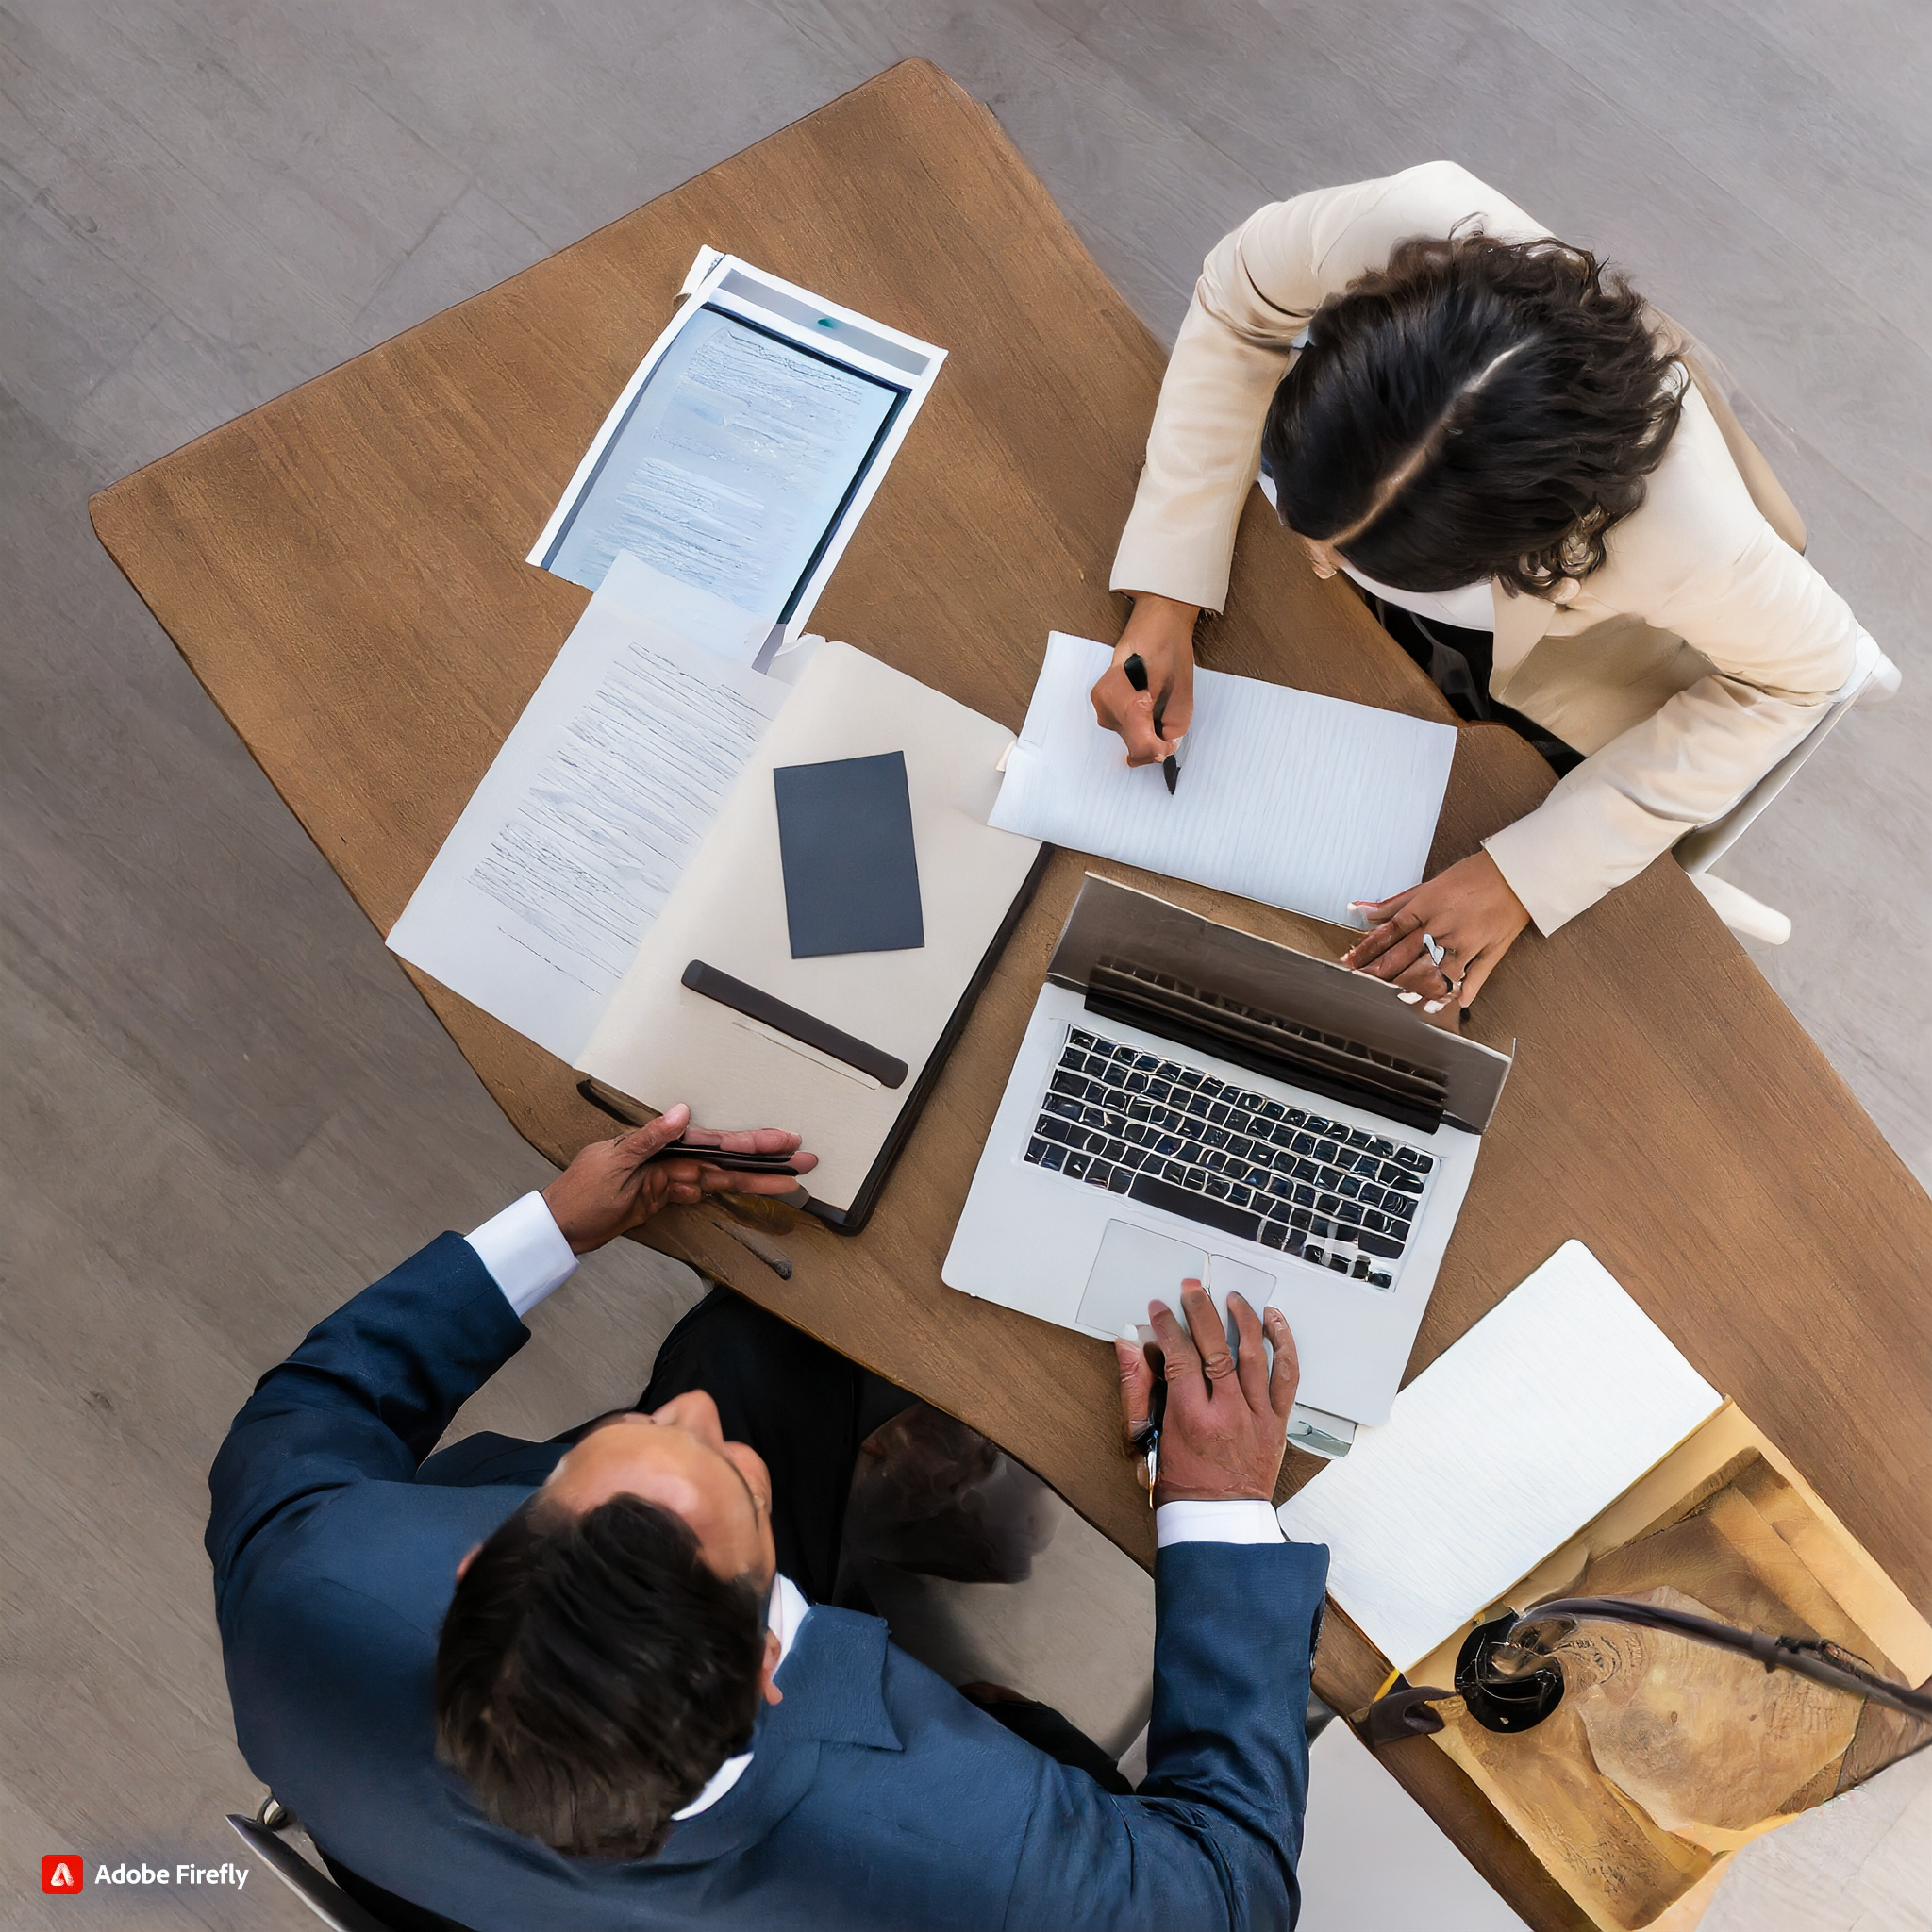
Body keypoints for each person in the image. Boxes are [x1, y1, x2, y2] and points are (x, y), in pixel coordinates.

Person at [208, 1103, 1329, 1932]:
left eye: (632, 1450)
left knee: (744, 1347)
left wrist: (558, 1222)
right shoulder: (953, 1835)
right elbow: (1224, 1891)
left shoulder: (312, 1581)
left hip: (440, 1880)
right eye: (738, 1486)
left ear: (474, 1564)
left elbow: (305, 1415)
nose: (687, 1411)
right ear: (768, 1668)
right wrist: (1218, 1506)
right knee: (1042, 1740)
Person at [1092, 160, 1879, 1010]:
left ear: (1534, 549)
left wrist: (1521, 875)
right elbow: (1237, 304)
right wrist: (1168, 587)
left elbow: (1805, 677)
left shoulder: (1690, 540)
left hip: (1551, 676)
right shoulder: (1404, 220)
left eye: (1356, 553)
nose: (1313, 553)